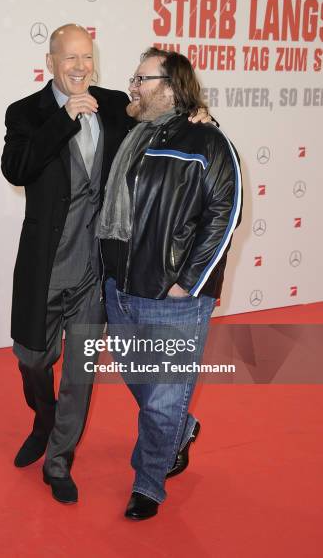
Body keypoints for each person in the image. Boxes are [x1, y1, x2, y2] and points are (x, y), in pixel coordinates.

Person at [1, 25, 211, 505]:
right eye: (70, 58)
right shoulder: (26, 113)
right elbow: (17, 168)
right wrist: (63, 121)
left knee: (80, 373)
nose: (80, 67)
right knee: (33, 360)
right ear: (51, 62)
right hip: (44, 268)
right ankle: (43, 417)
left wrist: (193, 114)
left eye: (87, 58)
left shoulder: (116, 104)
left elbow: (160, 118)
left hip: (94, 274)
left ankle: (59, 461)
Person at [99, 47, 242, 520]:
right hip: (120, 287)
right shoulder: (131, 131)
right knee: (140, 379)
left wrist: (188, 283)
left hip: (174, 298)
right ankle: (181, 427)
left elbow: (225, 215)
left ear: (171, 84)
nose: (132, 87)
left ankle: (149, 483)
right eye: (133, 77)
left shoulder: (208, 142)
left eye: (141, 79)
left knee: (162, 400)